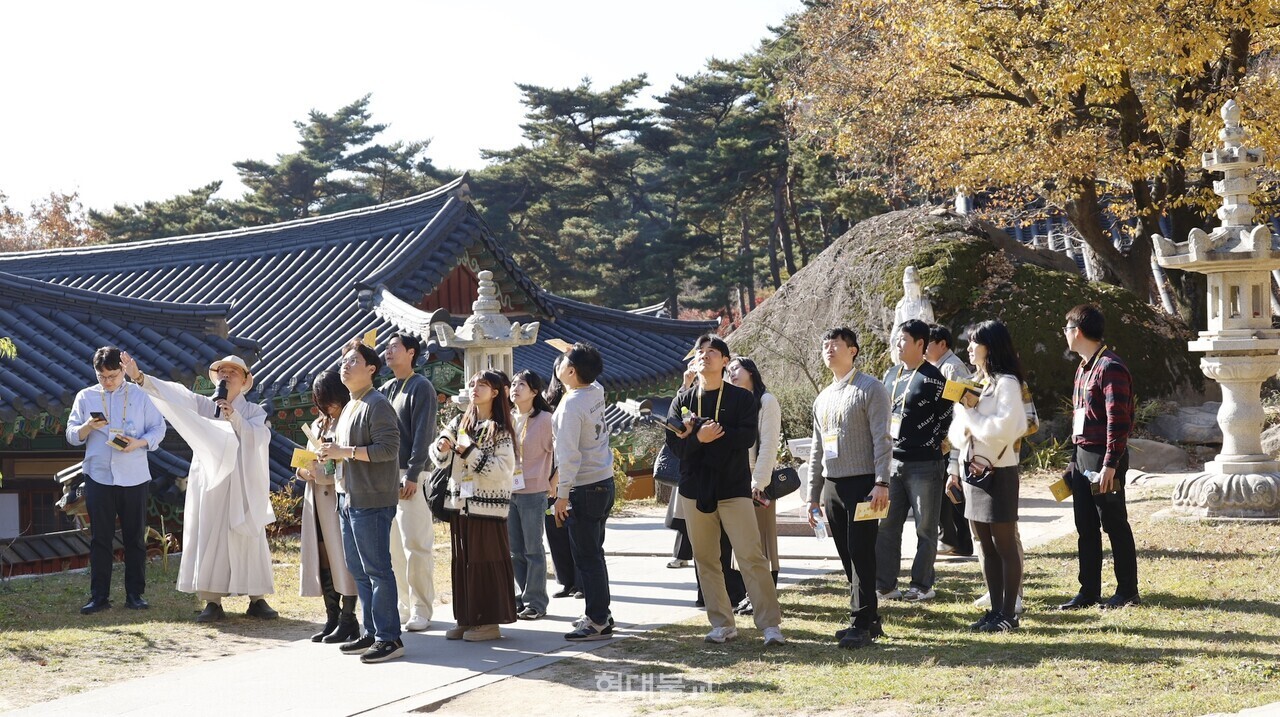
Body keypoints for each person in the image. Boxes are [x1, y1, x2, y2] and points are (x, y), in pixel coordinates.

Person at [120, 352, 277, 622]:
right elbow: (175, 395)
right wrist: (140, 378)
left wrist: (235, 417)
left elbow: (260, 438)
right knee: (209, 533)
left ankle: (257, 597)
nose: (227, 375)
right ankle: (212, 600)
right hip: (210, 481)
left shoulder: (254, 411)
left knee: (247, 535)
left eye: (233, 372)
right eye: (223, 371)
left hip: (242, 480)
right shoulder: (205, 405)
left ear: (245, 380)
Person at [665, 335, 786, 647]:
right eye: (700, 352)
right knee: (705, 559)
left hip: (733, 488)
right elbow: (675, 446)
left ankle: (770, 625)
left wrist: (708, 433)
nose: (705, 356)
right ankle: (722, 624)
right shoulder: (682, 400)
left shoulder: (741, 398)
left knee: (751, 555)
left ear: (724, 361)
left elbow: (746, 438)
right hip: (694, 489)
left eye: (712, 352)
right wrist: (698, 439)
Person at [319, 339, 403, 663]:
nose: (345, 365)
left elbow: (389, 449)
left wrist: (345, 452)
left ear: (371, 369)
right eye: (343, 361)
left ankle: (389, 637)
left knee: (377, 569)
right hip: (348, 497)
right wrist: (331, 456)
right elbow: (345, 456)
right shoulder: (351, 406)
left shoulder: (376, 403)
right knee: (359, 570)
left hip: (371, 499)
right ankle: (371, 631)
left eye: (353, 360)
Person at [66, 346, 167, 615]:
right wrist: (87, 427)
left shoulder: (140, 394)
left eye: (112, 376)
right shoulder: (86, 396)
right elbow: (71, 434)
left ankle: (135, 595)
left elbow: (159, 428)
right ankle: (99, 597)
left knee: (134, 536)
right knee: (100, 538)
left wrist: (139, 443)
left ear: (123, 370)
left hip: (134, 474)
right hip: (98, 474)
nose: (107, 381)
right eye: (102, 376)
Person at [807, 327, 891, 649]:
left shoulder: (871, 388)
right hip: (833, 485)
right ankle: (869, 618)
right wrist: (812, 497)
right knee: (846, 554)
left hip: (864, 483)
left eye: (836, 345)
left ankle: (860, 624)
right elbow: (816, 450)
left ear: (853, 350)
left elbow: (883, 438)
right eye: (825, 345)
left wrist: (881, 481)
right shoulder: (822, 397)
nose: (829, 350)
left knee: (861, 553)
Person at [946, 320, 1028, 633]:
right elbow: (957, 434)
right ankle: (994, 611)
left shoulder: (1007, 383)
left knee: (1004, 545)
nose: (968, 348)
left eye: (974, 342)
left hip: (999, 471)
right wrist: (967, 413)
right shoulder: (976, 381)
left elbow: (1003, 430)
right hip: (973, 472)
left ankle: (1009, 614)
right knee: (985, 546)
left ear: (990, 346)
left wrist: (971, 413)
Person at [1059, 304, 1140, 610]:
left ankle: (1127, 591)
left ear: (1078, 331)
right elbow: (1080, 418)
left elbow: (1118, 421)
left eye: (1067, 329)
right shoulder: (1083, 367)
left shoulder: (1110, 367)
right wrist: (1073, 459)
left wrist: (1110, 464)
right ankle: (1088, 591)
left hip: (1104, 458)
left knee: (1114, 523)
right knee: (1086, 526)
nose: (1065, 334)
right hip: (1083, 456)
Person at [431, 369, 519, 642]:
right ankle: (467, 618)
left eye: (482, 384)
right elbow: (438, 458)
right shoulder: (460, 422)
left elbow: (503, 470)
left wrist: (470, 452)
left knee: (485, 562)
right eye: (472, 384)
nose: (474, 389)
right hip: (460, 504)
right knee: (464, 563)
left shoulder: (500, 429)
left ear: (495, 392)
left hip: (488, 508)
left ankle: (489, 622)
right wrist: (441, 447)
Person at [876, 319, 952, 603]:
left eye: (904, 340)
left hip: (925, 464)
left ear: (920, 344)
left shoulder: (934, 378)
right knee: (886, 526)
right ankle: (885, 585)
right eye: (897, 339)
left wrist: (933, 442)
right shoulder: (890, 374)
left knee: (925, 527)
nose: (898, 344)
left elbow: (948, 416)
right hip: (892, 462)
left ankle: (922, 585)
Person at [551, 343, 617, 641]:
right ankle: (601, 612)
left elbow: (568, 456)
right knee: (595, 553)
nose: (559, 364)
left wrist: (562, 495)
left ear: (571, 371)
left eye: (564, 361)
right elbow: (593, 376)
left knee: (587, 556)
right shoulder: (595, 391)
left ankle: (597, 619)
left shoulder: (571, 405)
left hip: (584, 486)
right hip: (604, 480)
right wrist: (578, 355)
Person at [379, 332, 437, 633]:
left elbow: (424, 433)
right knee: (393, 547)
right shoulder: (387, 388)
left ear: (411, 352)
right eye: (387, 347)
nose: (388, 352)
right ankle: (403, 604)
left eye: (394, 347)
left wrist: (413, 474)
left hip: (412, 475)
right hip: (387, 476)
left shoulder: (421, 386)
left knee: (415, 544)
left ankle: (421, 607)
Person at [296, 370, 359, 643]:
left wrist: (321, 472)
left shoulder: (349, 422)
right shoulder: (318, 424)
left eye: (329, 400)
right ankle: (332, 616)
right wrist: (304, 470)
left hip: (337, 497)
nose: (326, 406)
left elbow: (349, 463)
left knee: (342, 558)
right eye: (321, 401)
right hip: (316, 499)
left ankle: (349, 618)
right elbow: (303, 460)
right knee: (323, 557)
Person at [726, 355, 782, 615]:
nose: (732, 373)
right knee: (744, 541)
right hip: (736, 478)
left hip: (758, 479)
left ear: (751, 371)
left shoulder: (766, 401)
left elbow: (769, 444)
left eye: (736, 368)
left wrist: (758, 481)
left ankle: (764, 597)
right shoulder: (736, 402)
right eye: (729, 370)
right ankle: (751, 595)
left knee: (762, 540)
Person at [509, 369, 555, 620]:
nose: (515, 388)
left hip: (534, 491)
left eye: (522, 385)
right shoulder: (506, 418)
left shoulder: (545, 419)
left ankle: (536, 602)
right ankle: (519, 598)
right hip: (508, 491)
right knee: (514, 550)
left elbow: (562, 452)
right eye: (513, 384)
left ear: (535, 391)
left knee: (533, 549)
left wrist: (553, 482)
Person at [925, 324, 974, 558]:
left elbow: (963, 405)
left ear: (942, 344)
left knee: (952, 492)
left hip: (951, 442)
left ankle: (959, 541)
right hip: (940, 441)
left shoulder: (952, 367)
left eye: (928, 342)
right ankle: (951, 539)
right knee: (945, 493)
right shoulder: (936, 367)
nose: (923, 347)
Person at [542, 355, 581, 600]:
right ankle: (566, 581)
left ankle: (581, 582)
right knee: (554, 530)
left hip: (571, 475)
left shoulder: (580, 399)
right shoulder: (547, 404)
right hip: (548, 476)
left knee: (574, 531)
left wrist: (557, 477)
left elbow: (571, 448)